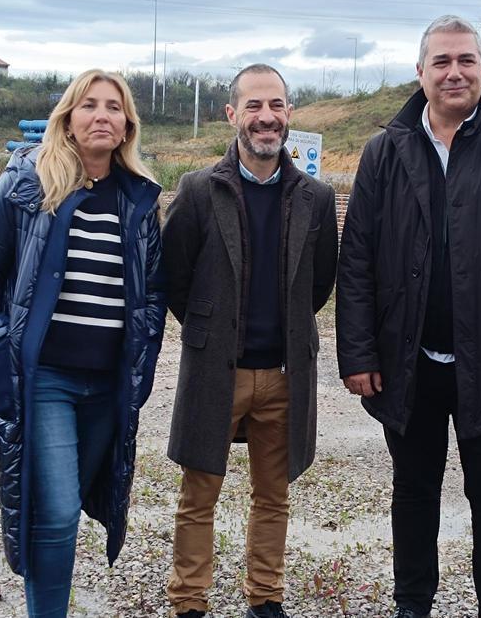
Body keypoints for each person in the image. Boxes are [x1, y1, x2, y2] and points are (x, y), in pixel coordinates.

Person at [335, 15, 481, 617]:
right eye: (441, 61)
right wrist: (358, 353)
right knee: (413, 493)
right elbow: (356, 256)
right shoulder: (384, 152)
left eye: (466, 60)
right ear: (421, 73)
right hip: (406, 361)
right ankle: (413, 604)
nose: (454, 72)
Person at [0, 69, 166, 617]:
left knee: (70, 501)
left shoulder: (139, 199)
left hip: (109, 384)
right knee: (55, 513)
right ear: (67, 119)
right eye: (89, 105)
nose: (102, 115)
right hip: (46, 378)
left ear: (127, 126)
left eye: (114, 108)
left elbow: (152, 294)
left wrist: (141, 372)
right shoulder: (27, 181)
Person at [162, 63, 338, 618]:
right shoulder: (197, 190)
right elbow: (175, 280)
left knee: (274, 495)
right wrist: (211, 331)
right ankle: (189, 601)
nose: (267, 118)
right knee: (199, 496)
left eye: (277, 106)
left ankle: (265, 598)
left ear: (289, 114)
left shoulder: (315, 196)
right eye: (255, 106)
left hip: (285, 375)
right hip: (218, 368)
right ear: (233, 114)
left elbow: (319, 284)